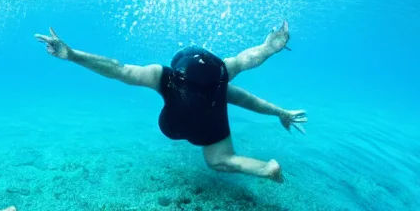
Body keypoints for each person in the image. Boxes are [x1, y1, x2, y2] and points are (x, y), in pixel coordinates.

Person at [34, 22, 306, 183]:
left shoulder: (163, 75)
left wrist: (72, 55)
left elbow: (118, 69)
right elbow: (251, 57)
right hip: (211, 116)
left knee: (224, 104)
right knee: (223, 150)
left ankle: (269, 157)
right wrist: (272, 47)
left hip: (176, 123)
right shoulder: (222, 71)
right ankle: (267, 169)